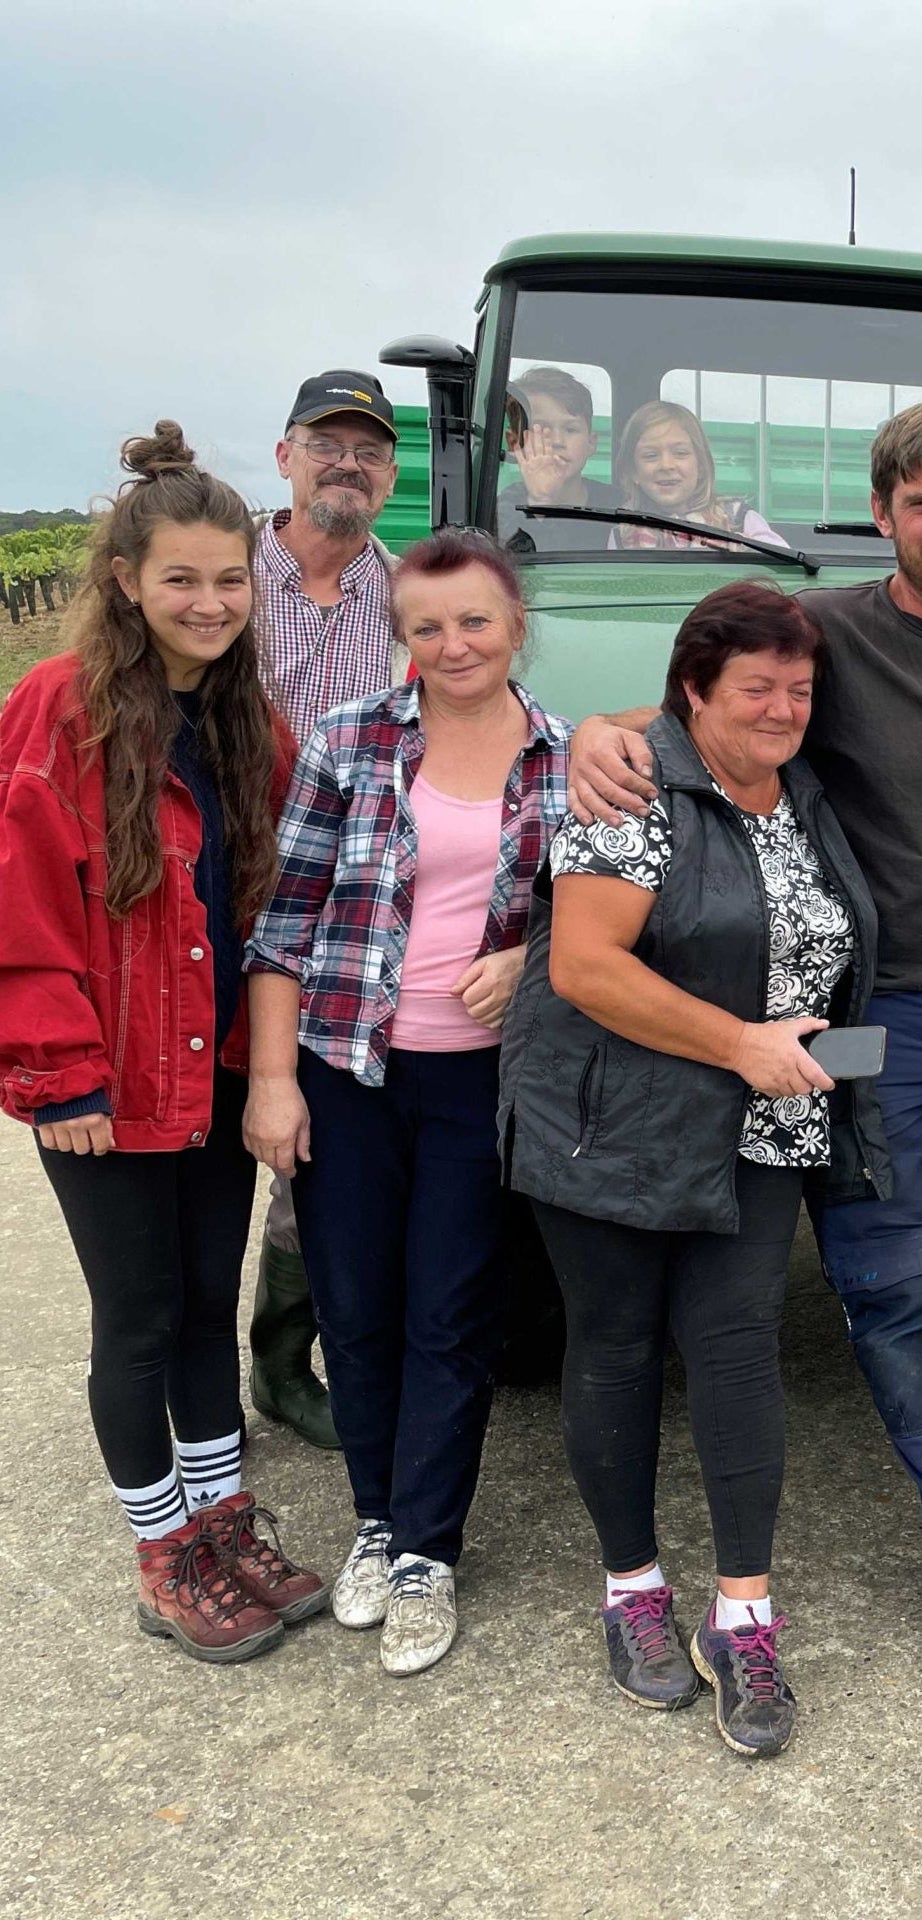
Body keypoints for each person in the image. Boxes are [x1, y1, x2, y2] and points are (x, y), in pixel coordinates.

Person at [565, 398, 922, 1738]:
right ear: (883, 515)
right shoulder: (841, 634)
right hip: (869, 1029)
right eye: (919, 501)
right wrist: (594, 731)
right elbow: (714, 702)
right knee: (907, 1283)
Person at [499, 583, 882, 1760]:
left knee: (735, 1348)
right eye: (754, 688)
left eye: (799, 690)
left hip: (757, 1127)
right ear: (693, 692)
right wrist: (745, 1045)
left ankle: (744, 1616)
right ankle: (631, 1591)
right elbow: (585, 969)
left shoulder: (807, 794)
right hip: (609, 1122)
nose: (781, 710)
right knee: (613, 1345)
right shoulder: (628, 790)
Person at [0, 423, 324, 1662]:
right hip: (107, 1083)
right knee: (135, 1318)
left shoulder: (248, 722)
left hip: (213, 1071)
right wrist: (53, 1069)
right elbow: (21, 901)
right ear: (126, 579)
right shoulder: (60, 708)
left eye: (230, 579)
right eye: (181, 579)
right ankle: (160, 1549)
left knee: (203, 1305)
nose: (209, 602)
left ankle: (220, 1516)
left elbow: (293, 886)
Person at [243, 529, 572, 1678]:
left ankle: (429, 1547)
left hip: (475, 1082)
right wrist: (275, 1083)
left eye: (474, 620)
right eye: (427, 625)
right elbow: (282, 927)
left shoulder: (563, 758)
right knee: (356, 1305)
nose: (452, 644)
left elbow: (600, 915)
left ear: (516, 623)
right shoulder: (350, 743)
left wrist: (528, 956)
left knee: (451, 1311)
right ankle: (376, 1519)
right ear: (404, 635)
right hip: (348, 1068)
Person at [248, 368, 406, 1451]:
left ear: (391, 475)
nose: (347, 465)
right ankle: (202, 1360)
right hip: (223, 884)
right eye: (328, 445)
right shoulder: (227, 573)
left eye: (368, 452)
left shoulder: (404, 594)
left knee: (308, 1133)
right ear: (285, 457)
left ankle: (281, 1354)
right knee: (213, 1137)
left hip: (339, 905)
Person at [610, 401, 786, 552]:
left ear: (701, 465)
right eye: (650, 456)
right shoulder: (623, 532)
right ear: (632, 472)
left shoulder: (738, 517)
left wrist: (744, 547)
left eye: (680, 453)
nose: (666, 465)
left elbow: (786, 563)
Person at [496, 365, 625, 552]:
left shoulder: (619, 504)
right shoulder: (503, 511)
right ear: (514, 442)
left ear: (591, 442)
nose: (557, 441)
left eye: (570, 429)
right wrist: (540, 502)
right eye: (541, 428)